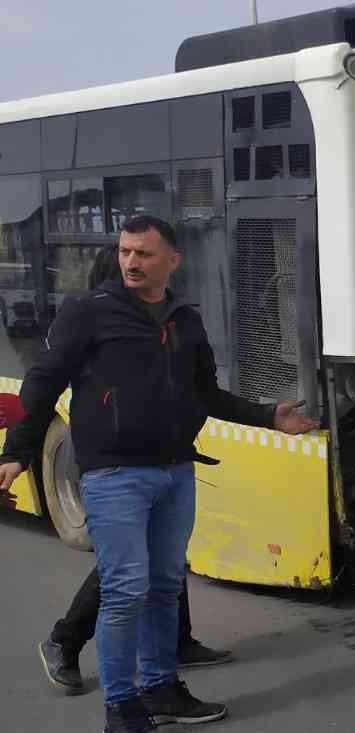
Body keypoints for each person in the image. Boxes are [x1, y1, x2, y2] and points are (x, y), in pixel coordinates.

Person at [0, 215, 317, 733]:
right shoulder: (90, 314)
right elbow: (43, 383)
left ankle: (160, 688)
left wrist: (269, 417)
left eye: (144, 253)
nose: (130, 261)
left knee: (165, 585)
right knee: (125, 591)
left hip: (174, 470)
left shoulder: (184, 320)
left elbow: (207, 395)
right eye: (125, 251)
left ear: (173, 259)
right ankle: (120, 712)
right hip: (114, 474)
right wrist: (16, 454)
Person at [36, 245, 232, 698]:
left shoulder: (170, 319)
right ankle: (65, 642)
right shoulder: (104, 325)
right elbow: (47, 384)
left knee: (164, 565)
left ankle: (174, 645)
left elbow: (199, 390)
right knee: (126, 574)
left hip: (168, 459)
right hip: (121, 468)